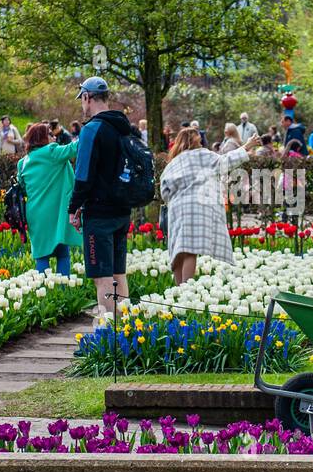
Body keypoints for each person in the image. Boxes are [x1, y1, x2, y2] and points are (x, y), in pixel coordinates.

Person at [69, 76, 143, 315]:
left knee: (102, 277)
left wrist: (74, 207)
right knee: (118, 274)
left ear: (88, 97)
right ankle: (126, 329)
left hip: (99, 214)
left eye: (82, 99)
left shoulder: (92, 129)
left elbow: (83, 174)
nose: (82, 104)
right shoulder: (124, 127)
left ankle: (109, 333)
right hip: (122, 210)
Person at [160, 126, 258, 284]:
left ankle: (178, 291)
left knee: (178, 250)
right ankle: (186, 290)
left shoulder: (173, 163)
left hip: (177, 209)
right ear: (196, 140)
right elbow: (225, 161)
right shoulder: (203, 155)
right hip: (198, 208)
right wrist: (247, 146)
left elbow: (164, 191)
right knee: (190, 250)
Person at [17, 123, 81, 275]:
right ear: (42, 138)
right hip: (55, 212)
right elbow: (75, 148)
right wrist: (92, 130)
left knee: (41, 255)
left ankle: (43, 293)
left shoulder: (23, 163)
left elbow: (24, 188)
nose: (54, 138)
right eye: (51, 135)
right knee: (63, 254)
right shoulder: (51, 152)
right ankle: (63, 291)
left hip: (35, 213)